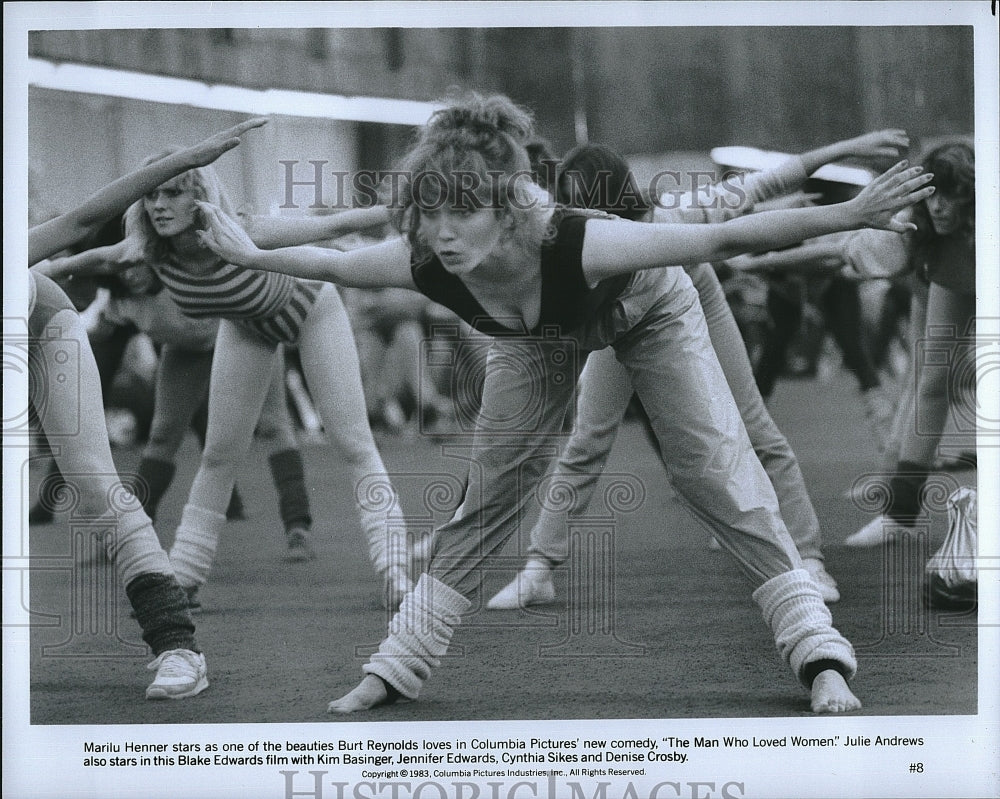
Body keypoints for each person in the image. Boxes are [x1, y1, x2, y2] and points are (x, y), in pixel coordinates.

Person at [194, 93, 934, 715]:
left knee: (711, 470)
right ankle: (397, 663)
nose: (444, 234)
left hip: (648, 310)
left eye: (463, 213)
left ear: (508, 208)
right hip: (535, 338)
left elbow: (730, 232)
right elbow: (327, 261)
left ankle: (818, 652)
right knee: (489, 493)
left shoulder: (585, 242)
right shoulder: (427, 262)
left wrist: (851, 213)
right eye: (430, 214)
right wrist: (249, 253)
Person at [486, 132, 913, 611]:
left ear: (616, 202)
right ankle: (539, 569)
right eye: (570, 207)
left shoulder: (671, 218)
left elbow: (764, 185)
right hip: (619, 320)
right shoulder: (573, 240)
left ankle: (808, 559)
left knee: (754, 428)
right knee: (587, 439)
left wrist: (842, 152)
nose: (578, 218)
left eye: (585, 205)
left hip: (687, 298)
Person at [50, 157, 422, 609]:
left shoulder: (242, 230)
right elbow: (77, 258)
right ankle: (183, 579)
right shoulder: (143, 250)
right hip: (246, 327)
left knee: (354, 444)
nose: (159, 206)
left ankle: (394, 570)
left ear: (199, 196)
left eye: (173, 193)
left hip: (311, 311)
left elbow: (335, 226)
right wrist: (29, 274)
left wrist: (412, 207)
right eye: (152, 195)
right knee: (218, 455)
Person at [25, 116, 267, 698]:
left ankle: (179, 649)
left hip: (41, 327)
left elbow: (80, 220)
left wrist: (180, 161)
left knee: (97, 487)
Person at [39, 253, 319, 563]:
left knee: (274, 425)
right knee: (162, 435)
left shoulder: (181, 273)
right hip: (186, 350)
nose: (131, 275)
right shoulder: (121, 305)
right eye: (124, 270)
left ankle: (298, 529)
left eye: (137, 265)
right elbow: (88, 341)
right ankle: (127, 540)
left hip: (243, 335)